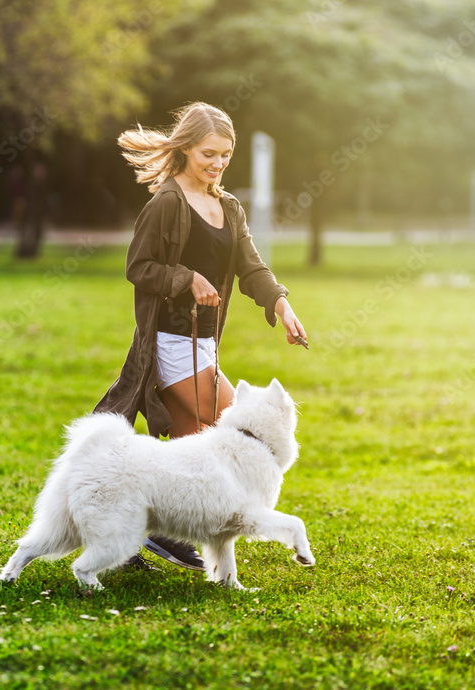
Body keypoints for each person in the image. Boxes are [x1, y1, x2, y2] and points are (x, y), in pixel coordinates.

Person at [93, 102, 307, 571]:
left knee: (196, 449)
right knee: (237, 433)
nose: (217, 163)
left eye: (226, 155)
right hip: (170, 344)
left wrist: (280, 302)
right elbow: (139, 267)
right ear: (187, 148)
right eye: (209, 153)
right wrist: (185, 278)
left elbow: (251, 267)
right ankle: (156, 533)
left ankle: (144, 531)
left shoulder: (228, 207)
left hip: (204, 343)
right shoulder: (167, 204)